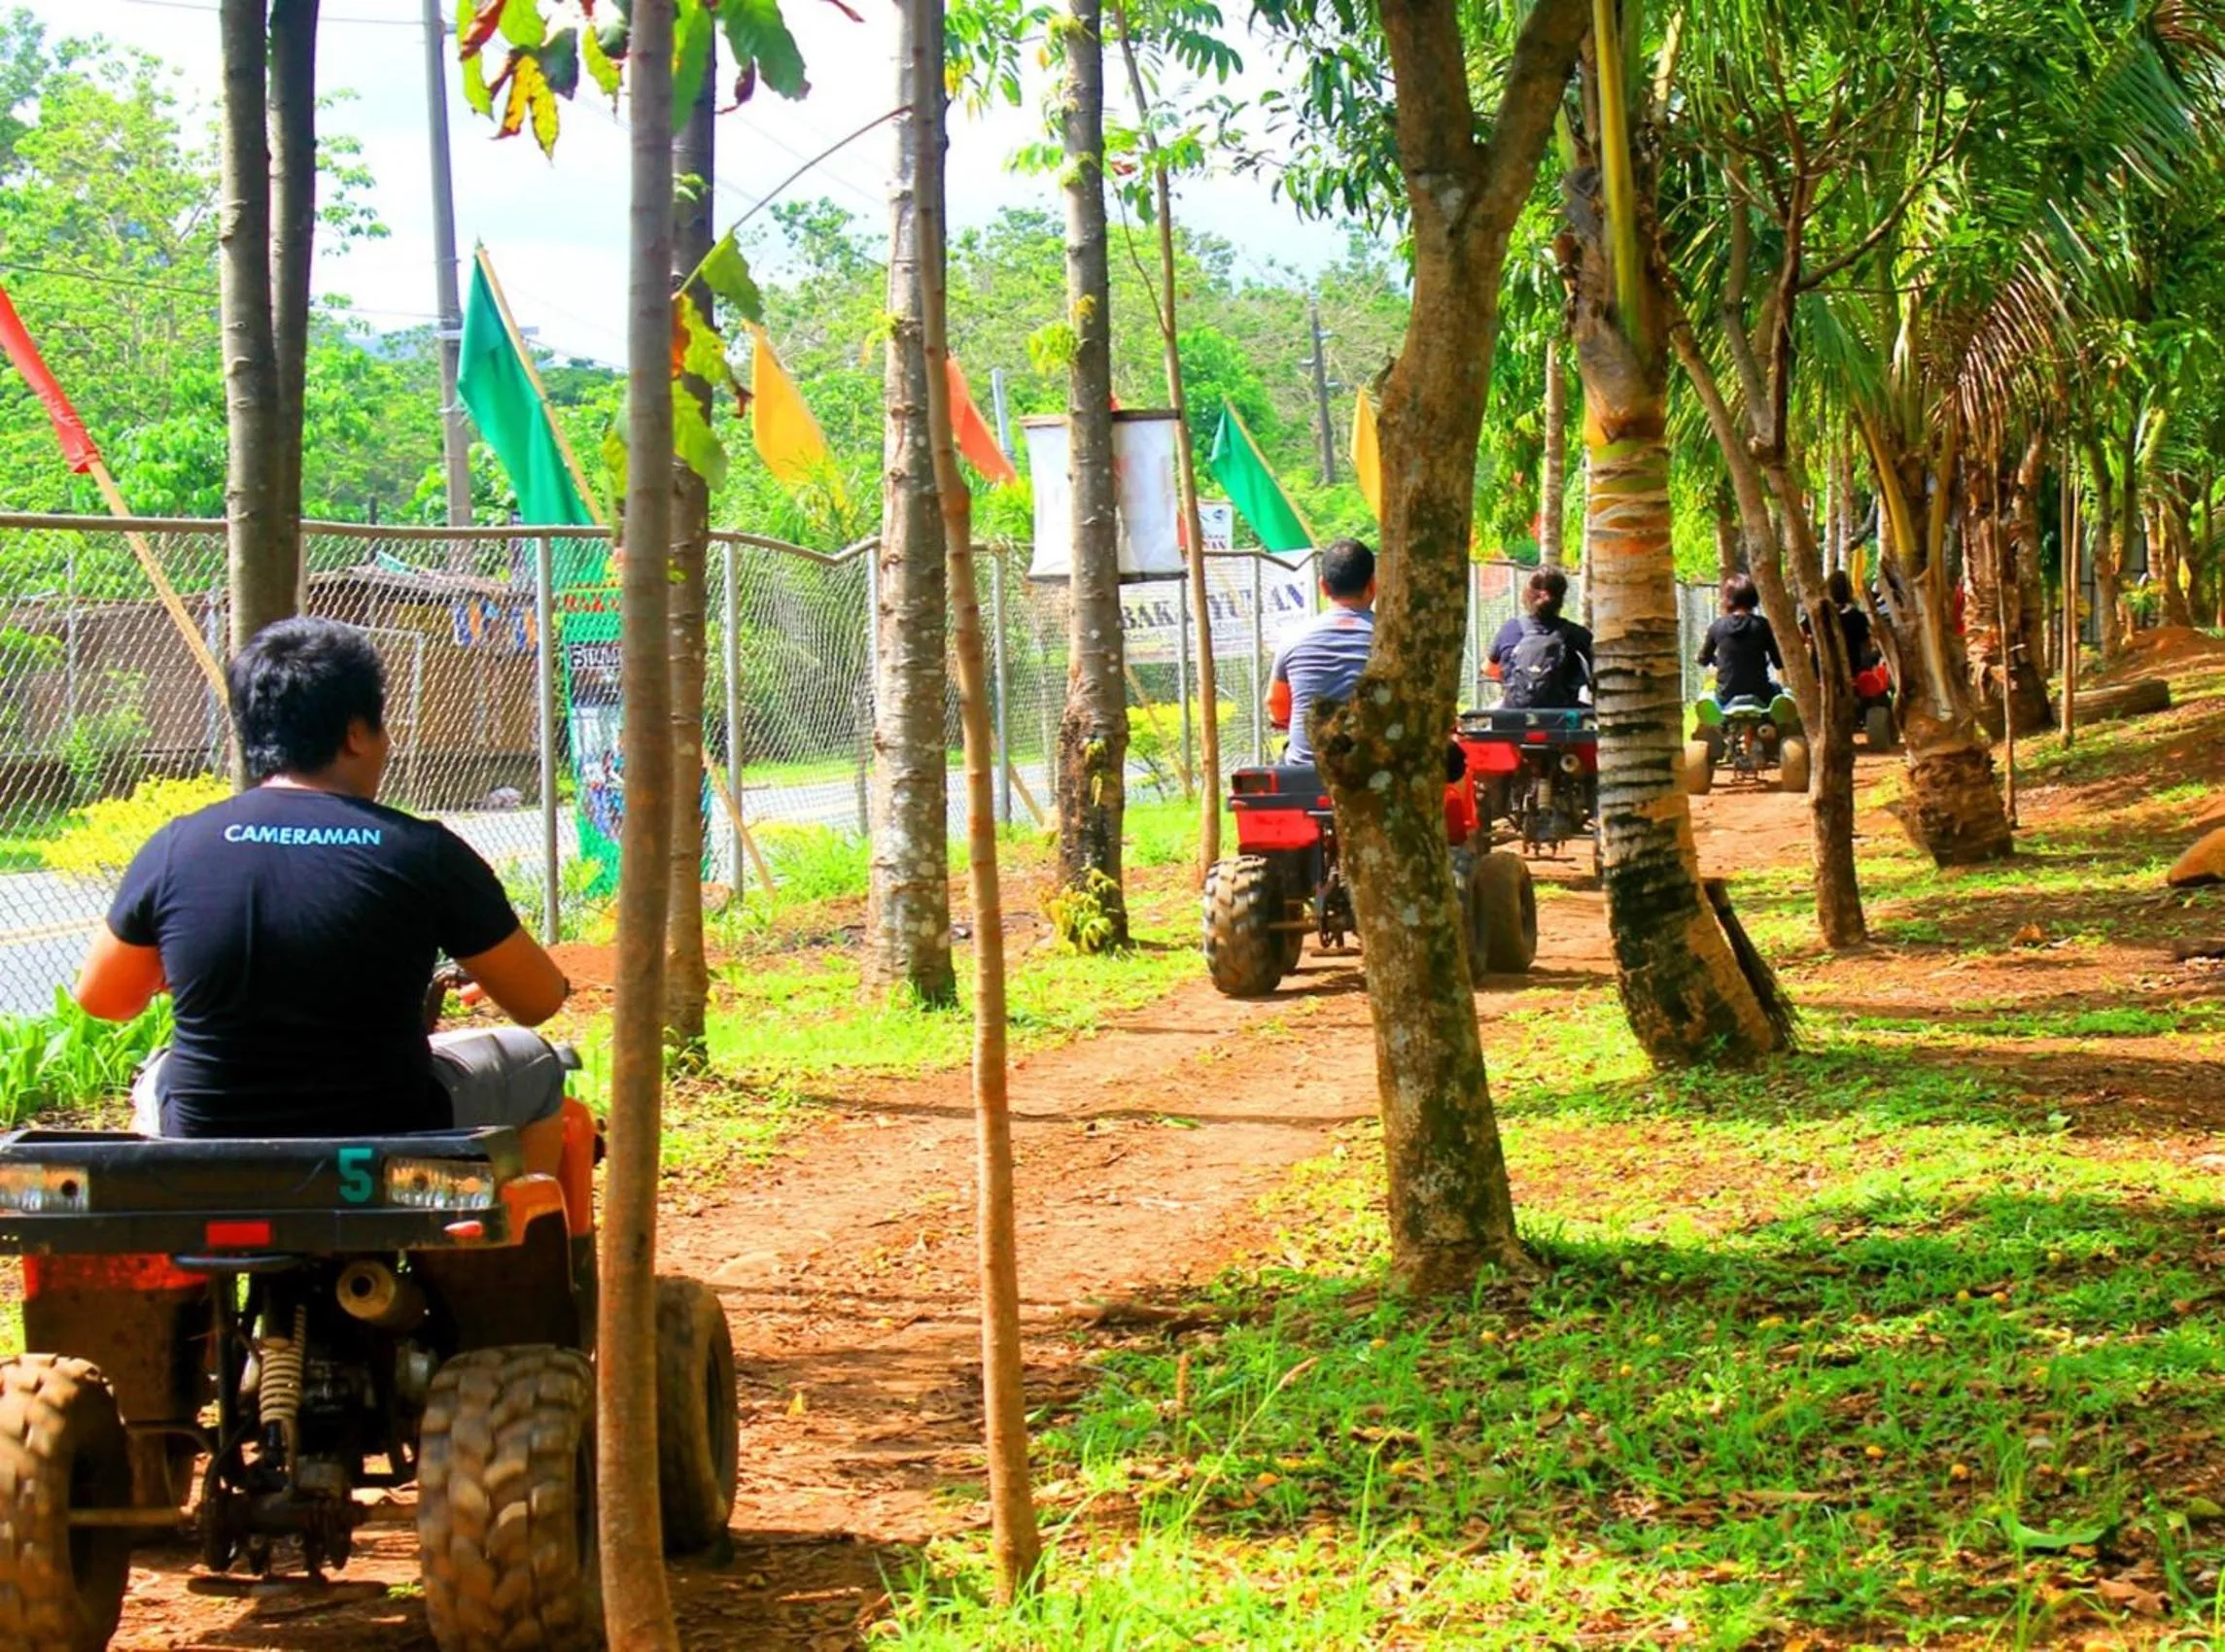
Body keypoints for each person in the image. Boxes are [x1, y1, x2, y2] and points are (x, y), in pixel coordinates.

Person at [74, 617, 572, 1162]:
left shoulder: (177, 846)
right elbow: (538, 1000)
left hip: (209, 1143)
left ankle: (171, 1229)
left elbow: (105, 999)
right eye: (383, 728)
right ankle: (498, 1248)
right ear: (356, 732)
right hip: (391, 1136)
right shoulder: (423, 851)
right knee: (539, 1065)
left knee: (156, 1076)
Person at [1267, 537, 1376, 765]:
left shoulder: (1294, 637)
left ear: (1323, 586)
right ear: (1373, 585)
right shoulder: (1392, 639)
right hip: (1376, 772)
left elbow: (1275, 704)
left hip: (1306, 771)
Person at [1487, 568, 1594, 708]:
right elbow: (1596, 668)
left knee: (1490, 714)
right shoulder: (1577, 634)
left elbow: (1489, 669)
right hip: (1563, 715)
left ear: (1527, 596)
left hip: (1514, 714)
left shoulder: (1510, 629)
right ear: (1561, 598)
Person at [1698, 572, 1784, 705]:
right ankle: (1773, 723)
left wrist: (1717, 661)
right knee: (1779, 690)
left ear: (1727, 598)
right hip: (1760, 694)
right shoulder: (1762, 625)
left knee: (1708, 695)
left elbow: (1703, 660)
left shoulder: (1717, 626)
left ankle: (1714, 723)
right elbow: (1779, 662)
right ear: (1754, 597)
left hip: (1726, 696)